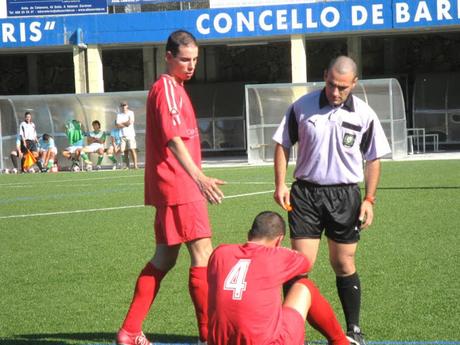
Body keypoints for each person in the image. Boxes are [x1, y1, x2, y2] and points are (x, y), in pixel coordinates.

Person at [272, 55, 392, 345]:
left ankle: (353, 330)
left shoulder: (364, 114)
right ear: (324, 75)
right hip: (306, 194)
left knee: (344, 263)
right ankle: (290, 332)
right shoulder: (301, 107)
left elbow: (373, 159)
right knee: (300, 265)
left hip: (345, 196)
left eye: (342, 87)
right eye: (330, 84)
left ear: (354, 83)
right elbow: (282, 144)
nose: (335, 92)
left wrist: (369, 199)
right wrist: (280, 184)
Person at [117, 30, 225, 345]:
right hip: (180, 185)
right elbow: (173, 139)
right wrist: (199, 178)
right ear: (168, 57)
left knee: (164, 259)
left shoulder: (175, 87)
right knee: (203, 253)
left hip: (174, 186)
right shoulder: (166, 88)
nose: (191, 66)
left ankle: (129, 331)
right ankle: (209, 336)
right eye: (184, 60)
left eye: (194, 60)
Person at [207, 211, 353, 345]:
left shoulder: (220, 253)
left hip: (220, 341)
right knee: (304, 286)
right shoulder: (279, 256)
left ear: (249, 234)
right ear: (279, 240)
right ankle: (340, 341)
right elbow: (305, 264)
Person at [116, 101, 138, 169]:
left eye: (124, 105)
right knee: (125, 151)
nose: (123, 107)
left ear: (127, 106)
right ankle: (127, 166)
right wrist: (125, 123)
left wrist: (122, 124)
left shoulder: (131, 113)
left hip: (130, 134)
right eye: (122, 105)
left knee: (132, 149)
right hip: (122, 135)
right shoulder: (119, 114)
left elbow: (130, 123)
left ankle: (135, 165)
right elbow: (117, 125)